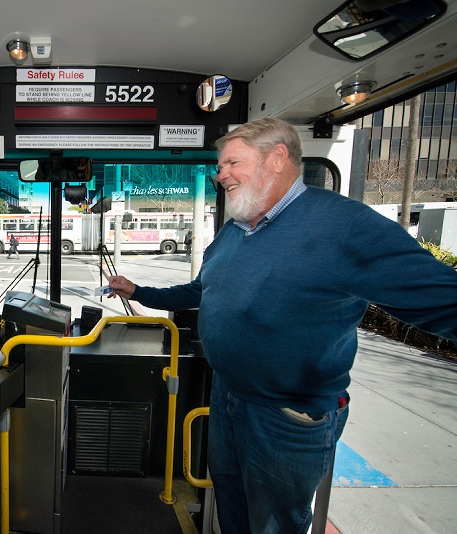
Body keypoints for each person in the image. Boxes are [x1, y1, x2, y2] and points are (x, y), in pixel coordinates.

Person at [107, 117, 457, 533]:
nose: (221, 175)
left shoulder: (343, 226)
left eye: (232, 163)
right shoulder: (234, 231)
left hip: (287, 414)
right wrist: (140, 291)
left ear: (277, 158)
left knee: (275, 523)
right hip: (228, 399)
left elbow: (441, 297)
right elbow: (202, 290)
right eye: (220, 167)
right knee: (232, 507)